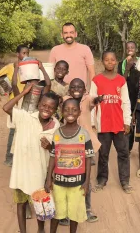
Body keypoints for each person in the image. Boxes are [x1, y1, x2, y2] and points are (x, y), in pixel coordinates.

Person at [3, 88, 60, 233]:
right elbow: (6, 107)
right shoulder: (25, 117)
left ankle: (40, 230)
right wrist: (24, 93)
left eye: (51, 107)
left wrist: (50, 147)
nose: (46, 109)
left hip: (40, 173)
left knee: (39, 204)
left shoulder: (57, 126)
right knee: (21, 203)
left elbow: (58, 151)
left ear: (55, 110)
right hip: (22, 172)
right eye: (44, 105)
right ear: (38, 104)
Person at [45, 98, 94, 233]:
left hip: (77, 183)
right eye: (66, 110)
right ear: (61, 112)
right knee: (56, 213)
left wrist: (86, 182)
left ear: (79, 112)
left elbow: (88, 159)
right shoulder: (57, 134)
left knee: (74, 214)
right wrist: (49, 178)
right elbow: (53, 157)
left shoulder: (84, 134)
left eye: (74, 110)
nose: (70, 113)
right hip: (59, 183)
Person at [59, 78, 103, 225]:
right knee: (66, 178)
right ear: (69, 89)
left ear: (84, 89)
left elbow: (94, 100)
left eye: (80, 87)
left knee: (85, 180)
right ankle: (64, 212)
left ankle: (87, 209)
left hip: (85, 145)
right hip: (68, 146)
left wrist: (98, 99)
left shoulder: (87, 99)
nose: (76, 88)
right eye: (73, 86)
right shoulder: (65, 99)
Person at [90, 51, 133, 194]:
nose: (109, 62)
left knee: (123, 152)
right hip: (103, 124)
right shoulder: (96, 80)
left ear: (116, 62)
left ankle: (125, 181)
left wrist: (127, 121)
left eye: (112, 60)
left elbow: (126, 102)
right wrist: (92, 122)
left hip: (119, 123)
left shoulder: (121, 80)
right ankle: (102, 179)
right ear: (102, 61)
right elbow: (91, 101)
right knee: (103, 153)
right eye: (106, 60)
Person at [0, 45, 28, 167]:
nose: (25, 55)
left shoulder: (29, 68)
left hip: (26, 103)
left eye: (27, 53)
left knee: (25, 130)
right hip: (13, 104)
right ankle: (9, 157)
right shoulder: (10, 67)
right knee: (13, 130)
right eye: (23, 53)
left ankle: (22, 157)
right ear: (17, 54)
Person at [49, 22, 95, 89]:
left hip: (79, 92)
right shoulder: (55, 50)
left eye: (71, 32)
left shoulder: (85, 49)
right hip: (60, 92)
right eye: (65, 33)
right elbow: (51, 73)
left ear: (76, 34)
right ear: (62, 35)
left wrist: (92, 92)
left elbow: (92, 72)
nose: (69, 35)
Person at [117, 41, 140, 153]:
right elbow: (120, 81)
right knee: (128, 120)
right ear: (125, 49)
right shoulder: (121, 63)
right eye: (128, 47)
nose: (130, 49)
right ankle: (127, 147)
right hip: (127, 97)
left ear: (136, 49)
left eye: (133, 47)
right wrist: (127, 67)